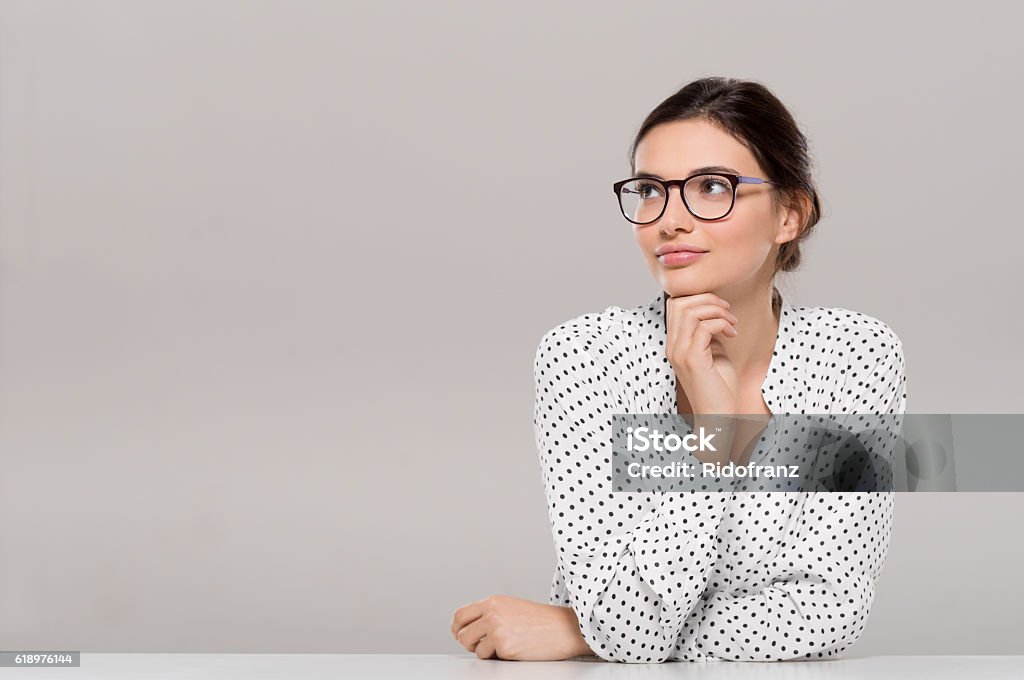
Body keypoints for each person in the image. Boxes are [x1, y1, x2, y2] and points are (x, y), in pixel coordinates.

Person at [451, 76, 907, 663]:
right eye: (650, 190)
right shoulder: (585, 358)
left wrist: (576, 632)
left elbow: (833, 610)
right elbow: (625, 632)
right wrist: (716, 438)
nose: (668, 219)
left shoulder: (854, 356)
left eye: (711, 187)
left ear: (789, 215)